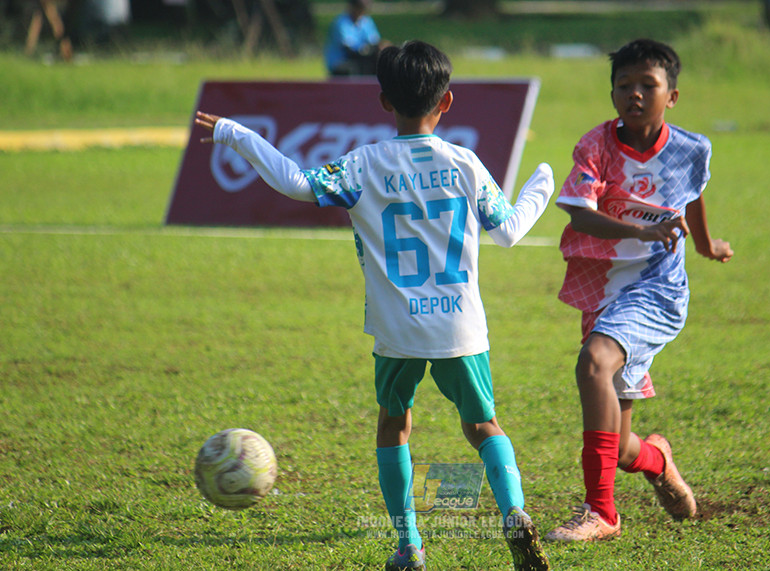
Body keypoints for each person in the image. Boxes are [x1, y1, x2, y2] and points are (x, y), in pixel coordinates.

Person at [195, 40, 553, 571]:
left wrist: (236, 133)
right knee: (483, 427)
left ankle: (409, 546)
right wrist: (540, 182)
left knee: (394, 425)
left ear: (384, 101)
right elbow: (510, 233)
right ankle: (514, 512)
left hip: (398, 329)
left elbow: (295, 183)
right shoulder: (465, 163)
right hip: (460, 327)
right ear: (448, 101)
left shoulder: (364, 164)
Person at [545, 38, 733, 542]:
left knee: (593, 363)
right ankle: (656, 459)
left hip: (657, 289)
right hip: (603, 288)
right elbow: (579, 210)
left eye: (646, 85)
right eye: (623, 85)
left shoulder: (692, 148)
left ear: (671, 95)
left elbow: (692, 196)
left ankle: (600, 513)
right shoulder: (595, 146)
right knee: (622, 443)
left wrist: (707, 244)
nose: (634, 94)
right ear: (612, 94)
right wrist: (640, 231)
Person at [324, 0, 384, 76]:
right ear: (352, 7)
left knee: (379, 64)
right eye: (360, 8)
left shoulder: (366, 21)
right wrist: (367, 50)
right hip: (341, 62)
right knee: (353, 69)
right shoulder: (341, 23)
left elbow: (374, 41)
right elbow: (349, 49)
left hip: (359, 59)